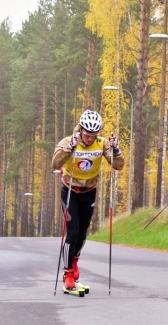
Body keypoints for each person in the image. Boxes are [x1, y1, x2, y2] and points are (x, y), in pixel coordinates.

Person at [51, 109, 124, 290]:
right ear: (81, 129)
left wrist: (115, 150)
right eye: (87, 134)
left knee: (83, 233)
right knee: (73, 231)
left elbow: (118, 166)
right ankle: (67, 274)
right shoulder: (68, 142)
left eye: (93, 135)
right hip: (70, 191)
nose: (90, 138)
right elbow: (55, 164)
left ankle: (74, 261)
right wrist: (69, 148)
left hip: (89, 191)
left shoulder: (102, 144)